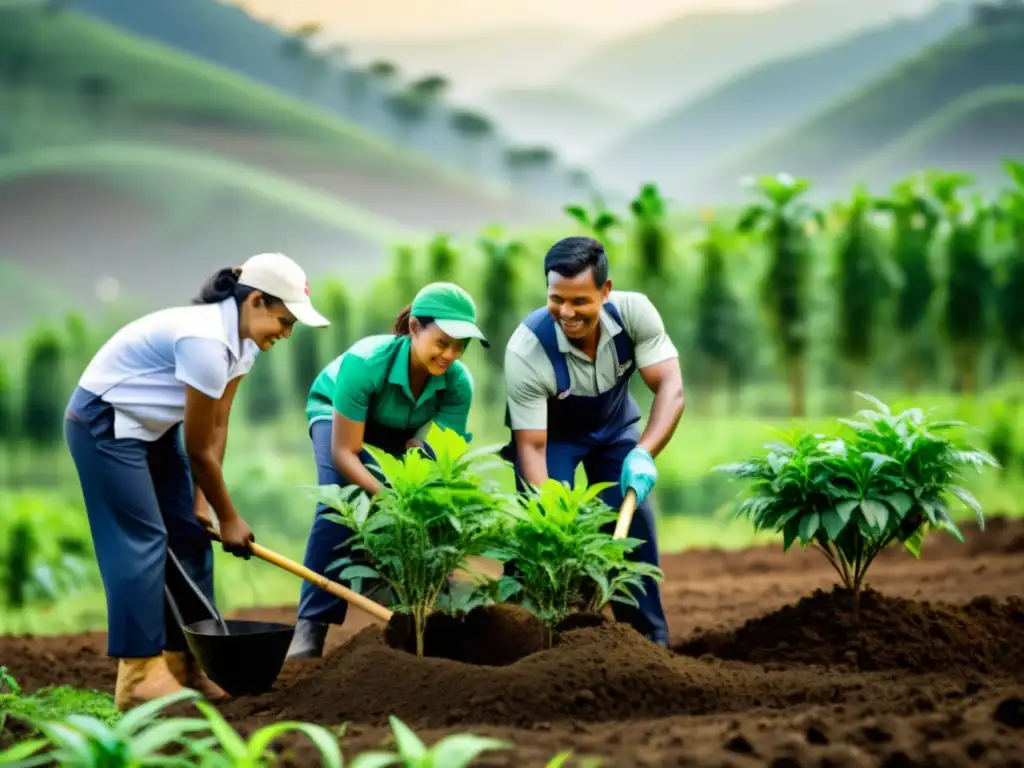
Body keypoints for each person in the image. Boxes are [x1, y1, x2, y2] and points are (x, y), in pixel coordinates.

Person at [64, 252, 329, 711]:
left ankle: (184, 664)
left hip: (154, 426)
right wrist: (231, 517)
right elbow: (200, 448)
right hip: (104, 422)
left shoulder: (243, 344)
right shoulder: (206, 341)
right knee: (142, 540)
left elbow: (219, 424)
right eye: (284, 321)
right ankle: (139, 675)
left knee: (188, 534)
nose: (286, 334)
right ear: (257, 302)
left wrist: (203, 505)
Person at [287, 281, 488, 660]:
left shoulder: (457, 381)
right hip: (337, 415)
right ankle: (310, 628)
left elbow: (444, 460)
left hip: (399, 429)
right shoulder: (365, 363)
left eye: (460, 346)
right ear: (415, 328)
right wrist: (389, 499)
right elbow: (346, 453)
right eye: (442, 342)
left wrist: (426, 502)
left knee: (430, 505)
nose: (450, 354)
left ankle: (431, 608)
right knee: (339, 505)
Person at [502, 236, 685, 647]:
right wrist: (552, 518)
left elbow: (670, 387)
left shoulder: (635, 313)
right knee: (540, 534)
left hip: (615, 428)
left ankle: (648, 640)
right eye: (556, 299)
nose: (566, 312)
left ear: (605, 290)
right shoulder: (527, 350)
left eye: (580, 301)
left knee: (633, 520)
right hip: (552, 437)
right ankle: (528, 639)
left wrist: (643, 452)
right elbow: (531, 446)